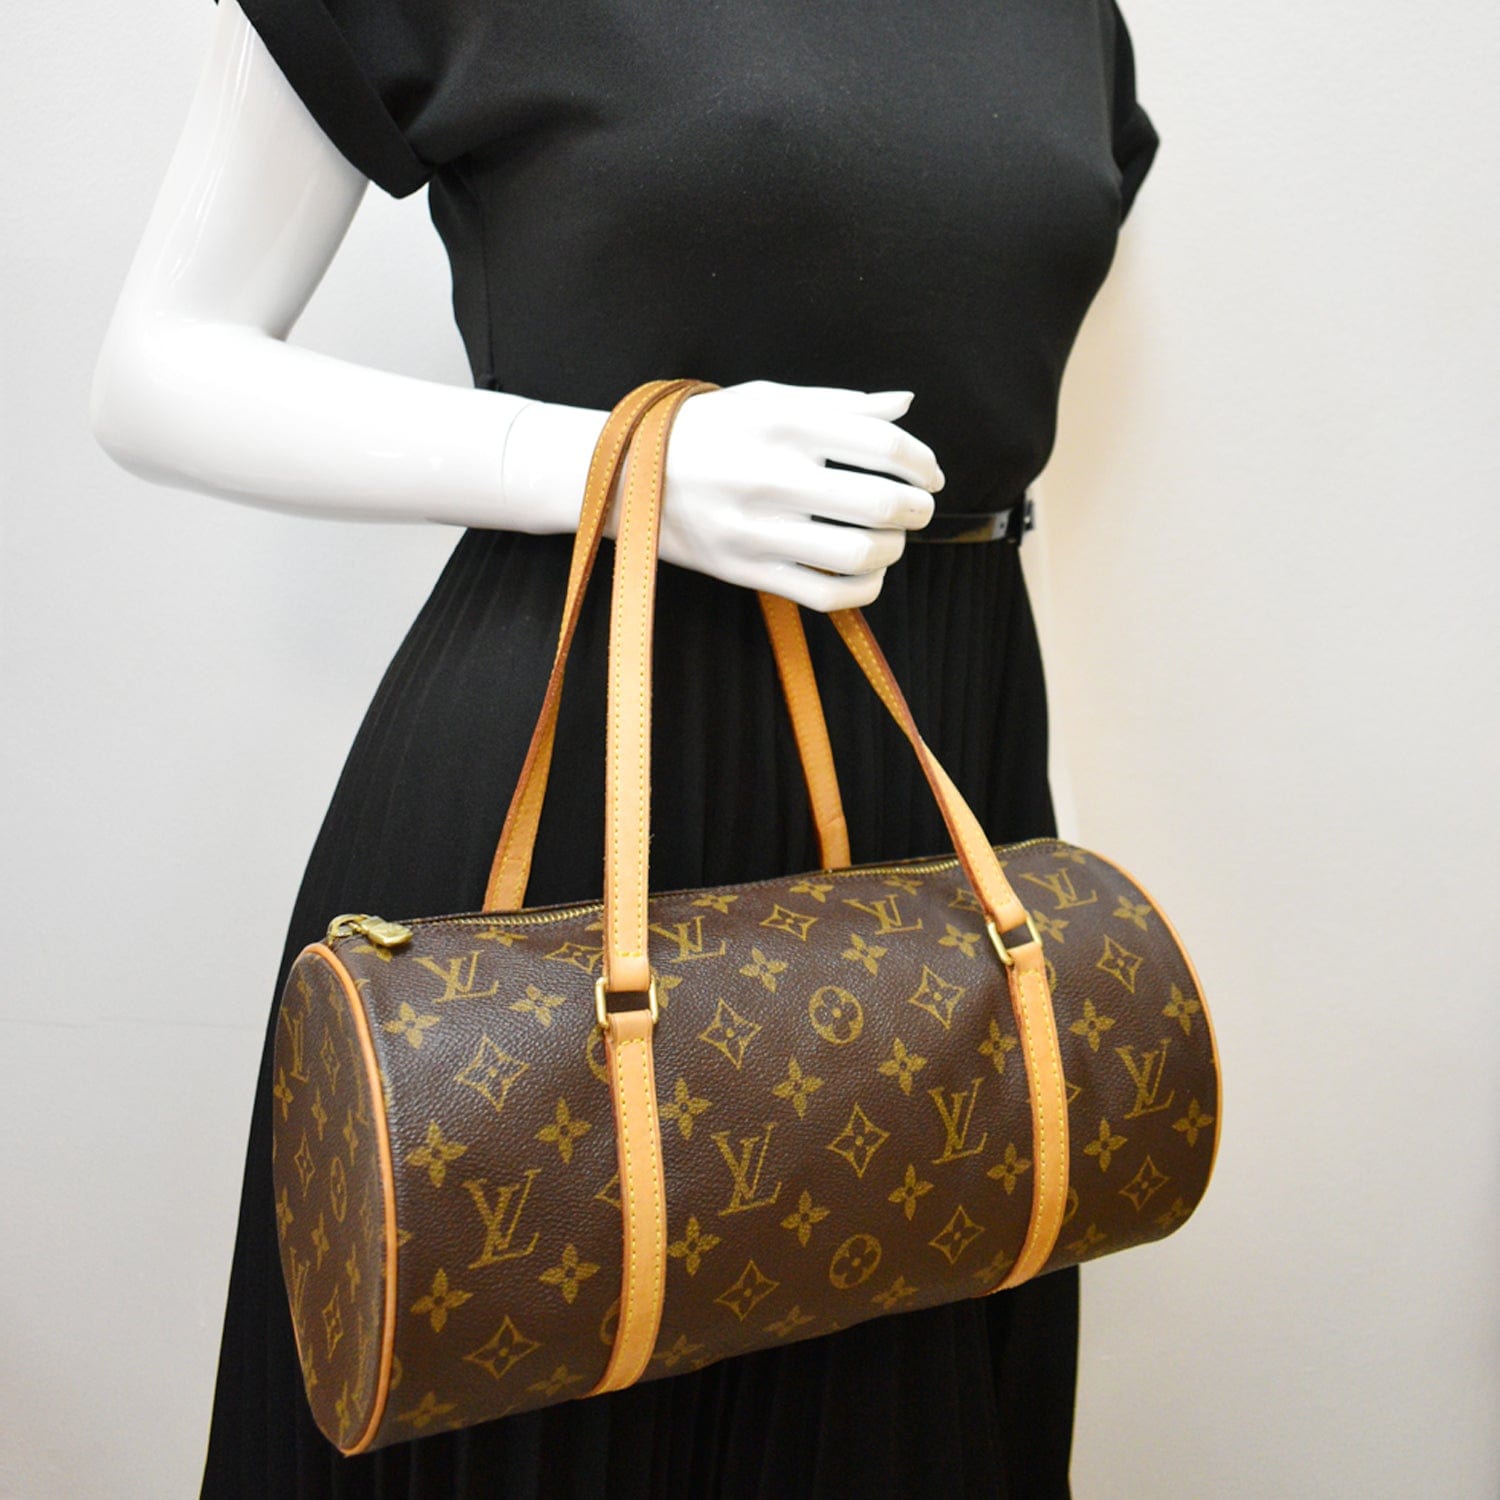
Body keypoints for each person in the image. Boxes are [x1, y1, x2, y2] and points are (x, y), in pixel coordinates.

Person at [91, 0, 1160, 1493]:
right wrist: (610, 459)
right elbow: (154, 367)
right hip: (587, 780)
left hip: (946, 782)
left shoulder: (1071, 20)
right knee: (527, 1382)